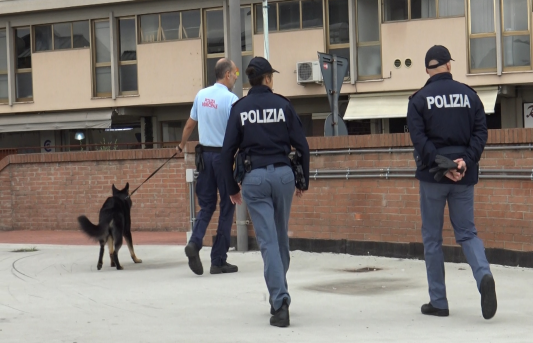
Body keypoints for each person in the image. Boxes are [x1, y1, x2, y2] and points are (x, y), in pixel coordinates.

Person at [407, 45, 497, 319]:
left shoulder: (418, 99)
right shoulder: (470, 96)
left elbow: (418, 138)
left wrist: (440, 165)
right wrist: (464, 161)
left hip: (433, 177)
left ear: (426, 69)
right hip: (464, 173)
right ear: (448, 65)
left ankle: (439, 302)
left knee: (432, 239)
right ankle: (483, 276)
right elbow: (481, 132)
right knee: (467, 233)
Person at [220, 57, 310, 328]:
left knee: (268, 242)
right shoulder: (284, 105)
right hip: (283, 176)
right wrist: (302, 181)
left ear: (250, 80)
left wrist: (231, 188)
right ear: (268, 79)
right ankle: (278, 293)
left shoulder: (240, 108)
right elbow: (302, 146)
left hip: (255, 179)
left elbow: (227, 152)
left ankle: (280, 301)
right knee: (280, 238)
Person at [177, 58, 239, 276]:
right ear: (228, 74)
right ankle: (218, 260)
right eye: (235, 73)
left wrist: (181, 145)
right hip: (223, 158)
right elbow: (237, 131)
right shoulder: (231, 99)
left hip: (204, 157)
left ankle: (194, 242)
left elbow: (190, 124)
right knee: (228, 205)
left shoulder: (201, 95)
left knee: (207, 205)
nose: (236, 78)